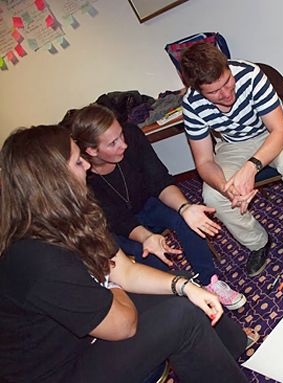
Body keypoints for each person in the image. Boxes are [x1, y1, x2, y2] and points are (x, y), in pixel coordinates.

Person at [0, 125, 253, 383]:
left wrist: (182, 286)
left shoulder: (70, 218)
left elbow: (126, 271)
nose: (87, 167)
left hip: (82, 333)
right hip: (60, 371)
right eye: (78, 162)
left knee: (182, 282)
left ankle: (233, 349)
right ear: (53, 181)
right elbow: (123, 325)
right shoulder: (36, 258)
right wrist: (111, 285)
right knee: (180, 317)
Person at [69, 104, 245, 310]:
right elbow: (116, 220)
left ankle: (208, 281)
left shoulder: (132, 136)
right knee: (146, 252)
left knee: (185, 219)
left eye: (121, 134)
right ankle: (179, 297)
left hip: (146, 203)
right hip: (114, 227)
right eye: (113, 143)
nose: (123, 145)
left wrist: (185, 208)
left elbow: (159, 180)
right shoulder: (82, 177)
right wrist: (146, 237)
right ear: (91, 150)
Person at [180, 42, 283, 276]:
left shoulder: (250, 74)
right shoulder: (191, 105)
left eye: (228, 82)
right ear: (197, 90)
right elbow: (204, 161)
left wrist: (251, 167)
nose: (227, 94)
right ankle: (258, 242)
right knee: (212, 194)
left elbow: (280, 131)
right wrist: (225, 187)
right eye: (215, 92)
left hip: (275, 130)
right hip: (234, 143)